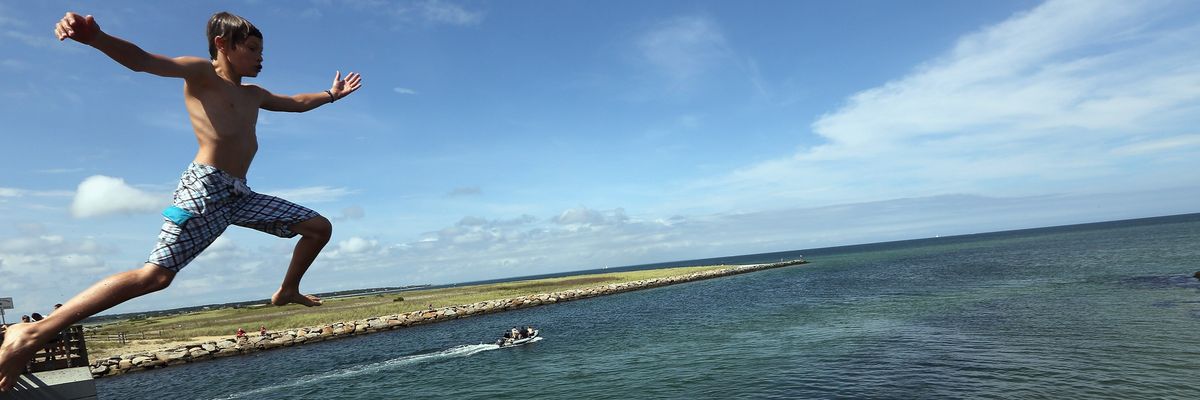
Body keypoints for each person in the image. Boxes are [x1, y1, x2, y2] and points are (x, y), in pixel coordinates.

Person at [0, 11, 363, 392]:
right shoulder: (201, 73)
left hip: (240, 193)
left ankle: (288, 290)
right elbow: (143, 61)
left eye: (262, 50)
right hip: (204, 188)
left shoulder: (254, 95)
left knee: (318, 227)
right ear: (223, 45)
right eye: (253, 49)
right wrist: (96, 38)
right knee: (155, 276)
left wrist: (329, 96)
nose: (261, 58)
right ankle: (35, 331)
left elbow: (296, 102)